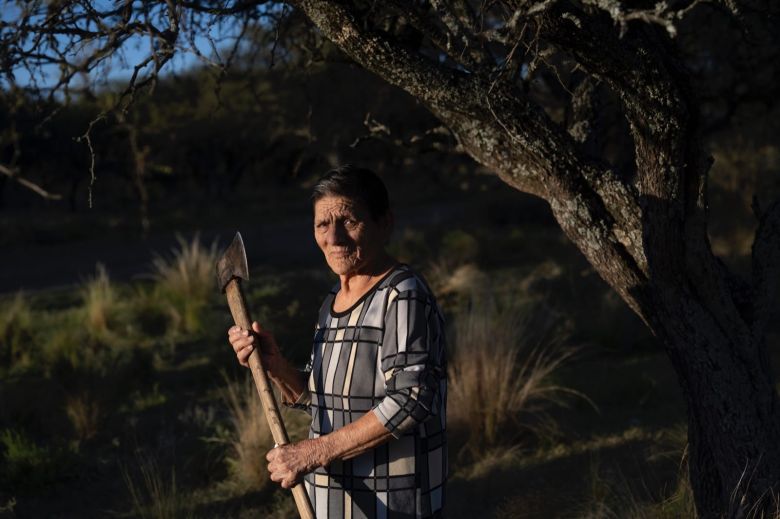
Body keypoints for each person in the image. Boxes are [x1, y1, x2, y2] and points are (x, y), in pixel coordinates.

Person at [227, 165, 447, 519]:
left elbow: (412, 400)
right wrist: (276, 367)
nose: (334, 238)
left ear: (384, 223)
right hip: (335, 502)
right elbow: (323, 401)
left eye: (348, 220)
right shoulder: (332, 300)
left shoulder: (402, 295)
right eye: (322, 225)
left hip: (393, 503)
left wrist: (312, 453)